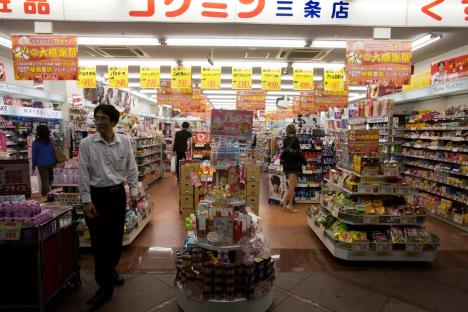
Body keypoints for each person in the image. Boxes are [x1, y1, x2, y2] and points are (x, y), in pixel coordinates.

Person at [78, 104, 139, 307]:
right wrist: (86, 201)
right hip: (97, 197)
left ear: (114, 121)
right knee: (99, 242)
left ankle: (110, 269)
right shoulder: (86, 144)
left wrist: (135, 192)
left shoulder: (124, 142)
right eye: (97, 118)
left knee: (115, 240)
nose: (99, 122)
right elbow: (83, 174)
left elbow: (131, 168)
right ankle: (104, 287)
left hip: (117, 195)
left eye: (104, 118)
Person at [280, 124, 306, 213]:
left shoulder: (285, 140)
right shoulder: (296, 140)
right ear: (294, 130)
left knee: (293, 184)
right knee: (292, 186)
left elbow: (285, 152)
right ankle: (290, 205)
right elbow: (299, 153)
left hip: (287, 165)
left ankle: (284, 200)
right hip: (294, 165)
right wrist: (305, 162)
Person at [32, 125, 56, 197]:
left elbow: (34, 156)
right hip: (52, 162)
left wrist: (33, 166)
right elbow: (54, 151)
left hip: (41, 164)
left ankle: (47, 196)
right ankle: (56, 194)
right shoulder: (51, 141)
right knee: (53, 180)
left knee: (44, 181)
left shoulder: (35, 143)